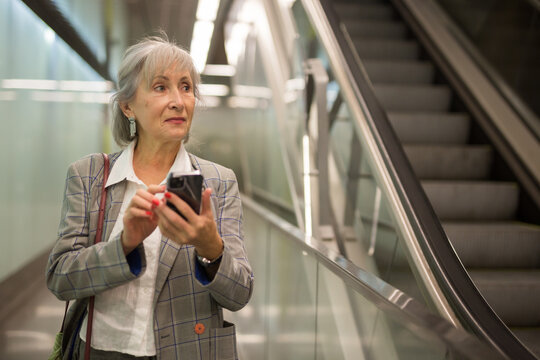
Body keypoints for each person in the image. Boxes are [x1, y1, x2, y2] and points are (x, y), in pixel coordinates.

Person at [46, 34, 253, 359]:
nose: (178, 101)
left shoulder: (218, 182)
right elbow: (60, 279)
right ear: (128, 105)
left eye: (186, 87)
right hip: (102, 351)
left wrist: (211, 246)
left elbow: (239, 295)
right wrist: (124, 245)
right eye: (160, 87)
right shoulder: (89, 176)